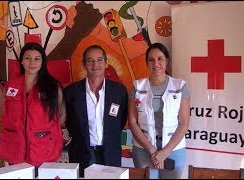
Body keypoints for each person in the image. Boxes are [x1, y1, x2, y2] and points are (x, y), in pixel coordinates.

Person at [0, 42, 66, 175]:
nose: (32, 62)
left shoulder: (52, 87)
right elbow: (4, 111)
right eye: (28, 57)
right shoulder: (11, 85)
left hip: (43, 149)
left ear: (42, 62)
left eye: (37, 58)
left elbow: (61, 116)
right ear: (22, 61)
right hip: (15, 148)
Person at [64, 45, 128, 177]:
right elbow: (70, 123)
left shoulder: (119, 91)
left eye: (99, 60)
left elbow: (121, 120)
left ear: (106, 63)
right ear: (84, 64)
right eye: (90, 60)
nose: (95, 64)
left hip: (111, 153)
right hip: (82, 152)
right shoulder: (71, 92)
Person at [128, 42, 190, 179]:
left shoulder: (180, 86)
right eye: (151, 59)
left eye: (160, 59)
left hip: (173, 148)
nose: (156, 63)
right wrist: (152, 150)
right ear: (147, 63)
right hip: (143, 148)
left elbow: (184, 123)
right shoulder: (137, 87)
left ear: (167, 61)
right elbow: (132, 122)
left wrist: (165, 152)